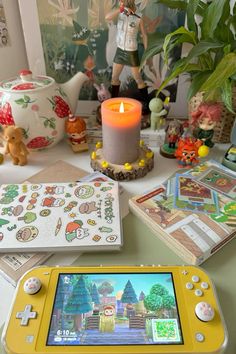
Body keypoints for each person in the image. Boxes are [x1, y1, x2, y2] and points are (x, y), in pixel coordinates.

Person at [105, 0, 149, 109]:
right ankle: (113, 102)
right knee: (114, 77)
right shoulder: (120, 12)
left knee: (138, 79)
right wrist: (120, 9)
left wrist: (148, 52)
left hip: (131, 51)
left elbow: (144, 35)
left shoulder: (139, 16)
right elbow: (107, 17)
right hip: (120, 50)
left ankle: (146, 104)